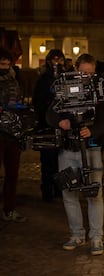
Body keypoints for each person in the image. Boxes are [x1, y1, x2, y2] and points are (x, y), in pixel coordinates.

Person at [46, 53, 104, 256]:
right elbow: (50, 113)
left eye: (90, 73)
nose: (86, 77)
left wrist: (93, 131)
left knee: (94, 193)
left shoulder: (100, 88)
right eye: (83, 72)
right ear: (75, 67)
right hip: (68, 146)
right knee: (69, 192)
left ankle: (96, 237)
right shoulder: (64, 84)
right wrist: (59, 122)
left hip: (91, 148)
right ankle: (76, 234)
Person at [32, 49, 66, 202]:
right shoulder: (43, 79)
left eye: (60, 60)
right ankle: (47, 190)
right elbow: (38, 101)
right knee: (48, 160)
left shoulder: (65, 78)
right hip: (47, 125)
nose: (57, 63)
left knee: (62, 160)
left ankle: (59, 188)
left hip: (63, 125)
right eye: (54, 60)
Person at [0, 48, 27, 222]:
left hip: (12, 132)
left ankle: (9, 209)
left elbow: (18, 99)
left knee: (12, 174)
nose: (5, 67)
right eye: (2, 63)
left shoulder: (13, 80)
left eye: (8, 64)